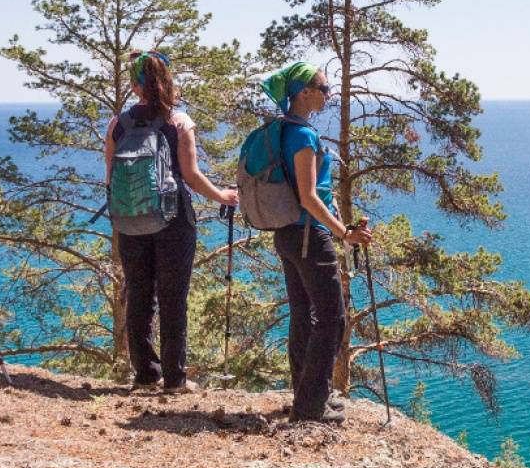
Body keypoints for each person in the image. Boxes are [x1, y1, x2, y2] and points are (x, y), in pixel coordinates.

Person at [104, 51, 237, 394]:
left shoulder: (118, 124)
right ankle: (175, 379)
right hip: (173, 219)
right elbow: (191, 176)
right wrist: (222, 195)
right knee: (173, 298)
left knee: (139, 296)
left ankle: (146, 375)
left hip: (130, 220)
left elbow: (110, 178)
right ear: (167, 81)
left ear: (135, 86)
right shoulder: (179, 122)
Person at [262, 61, 371, 423]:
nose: (329, 95)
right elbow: (310, 197)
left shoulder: (282, 130)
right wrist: (343, 233)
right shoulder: (304, 136)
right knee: (332, 318)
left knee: (303, 316)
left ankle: (308, 394)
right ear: (304, 92)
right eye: (324, 89)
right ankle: (311, 406)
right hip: (310, 234)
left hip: (288, 234)